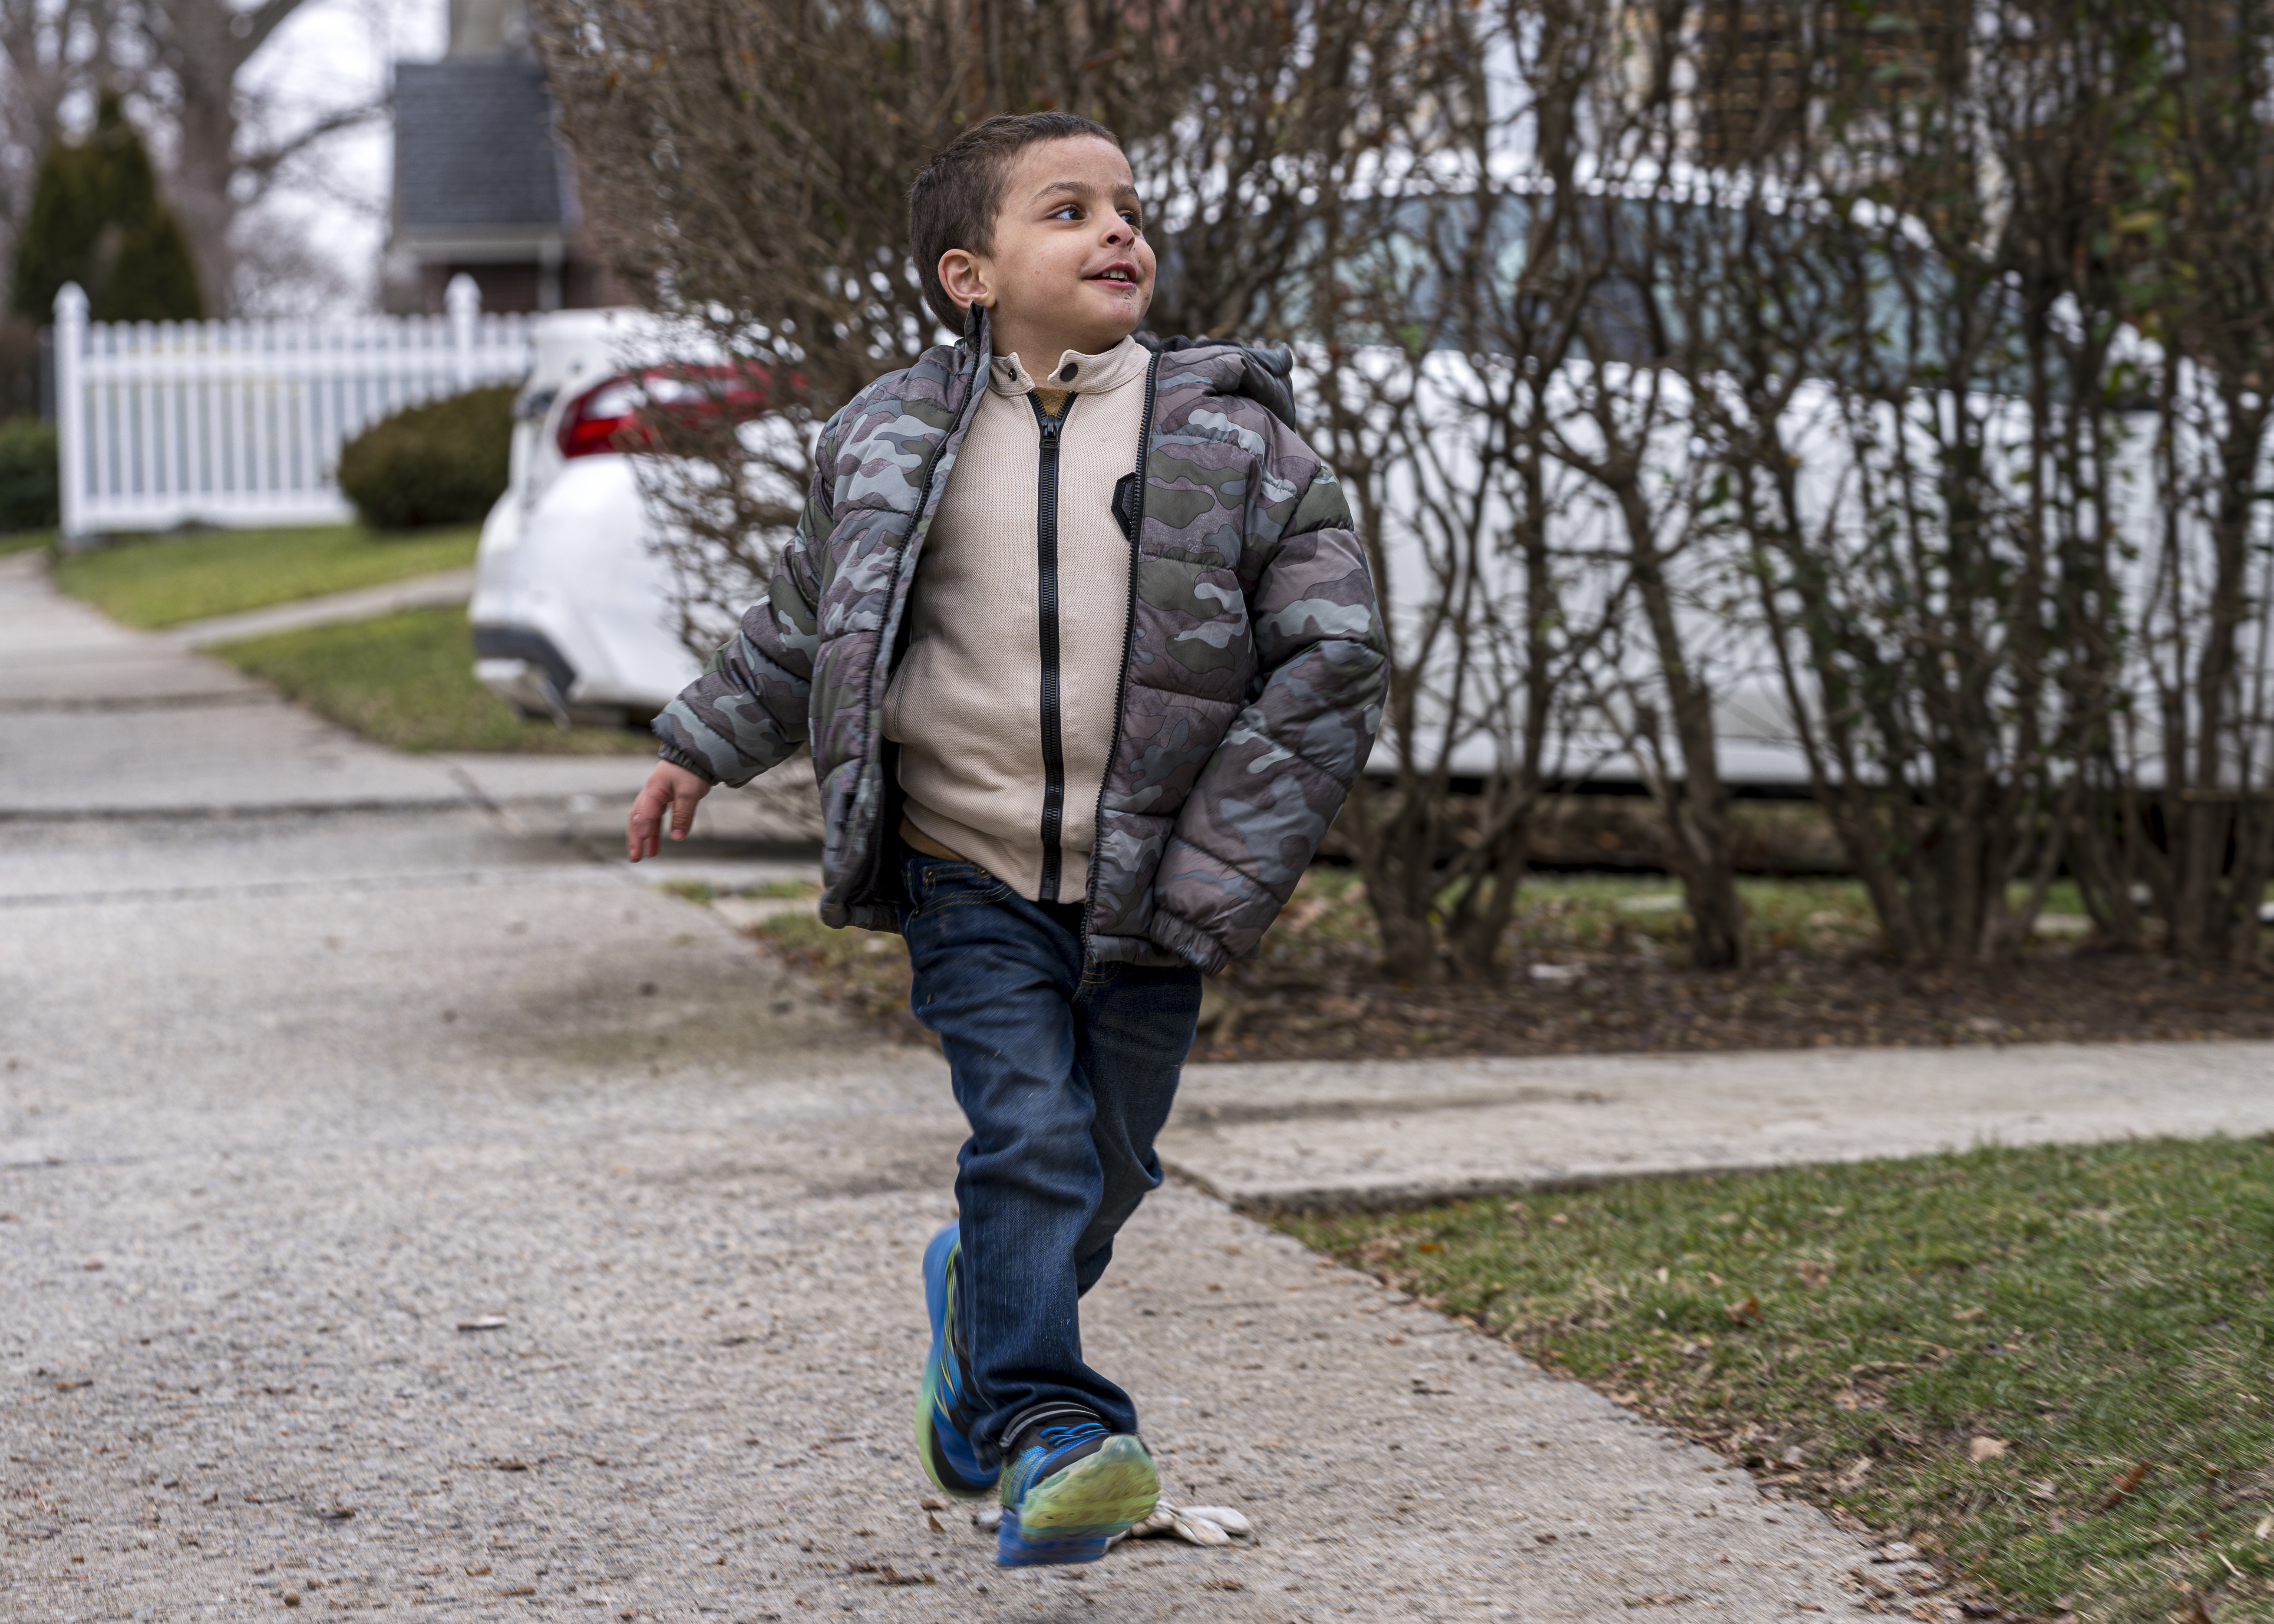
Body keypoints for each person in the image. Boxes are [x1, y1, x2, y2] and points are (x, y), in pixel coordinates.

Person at [624, 110, 1383, 1567]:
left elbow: (1333, 656)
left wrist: (1224, 851)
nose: (1119, 232)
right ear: (969, 274)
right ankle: (1059, 1432)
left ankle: (976, 1334)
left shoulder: (1236, 438)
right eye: (1069, 209)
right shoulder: (888, 439)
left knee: (1102, 1168)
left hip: (1154, 881)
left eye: (1128, 207)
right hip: (963, 863)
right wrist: (698, 745)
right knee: (1028, 1135)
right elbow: (808, 625)